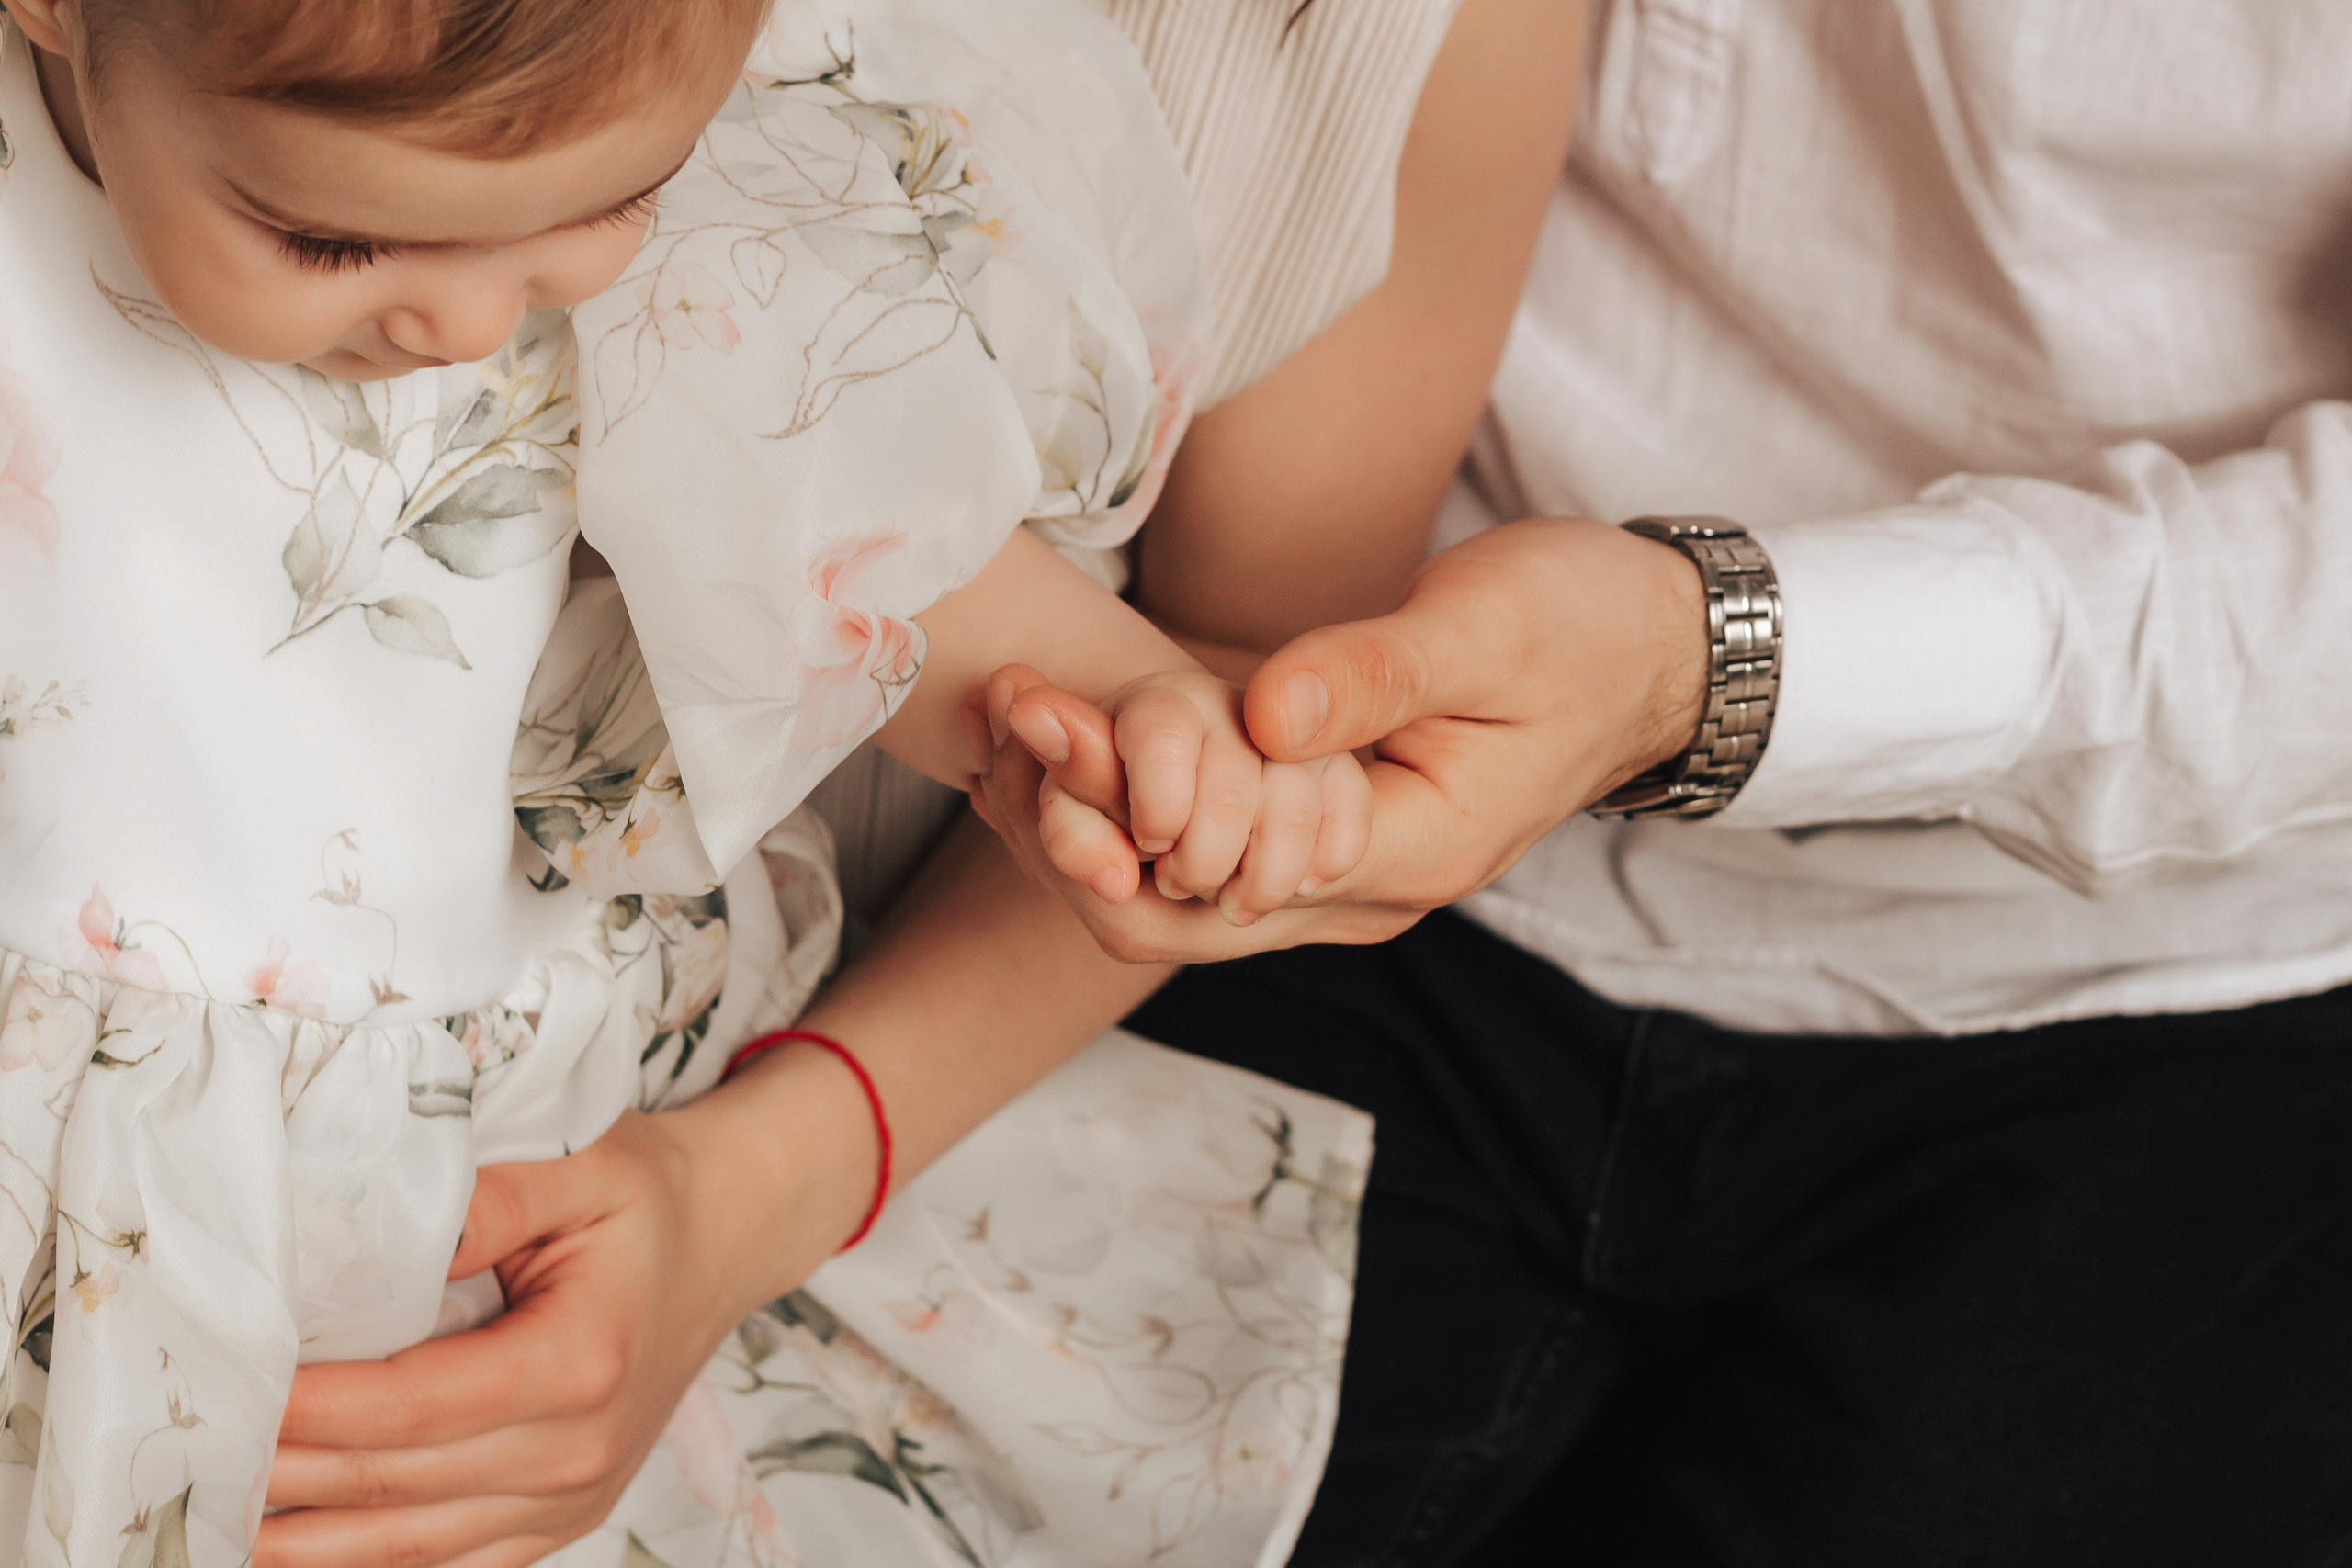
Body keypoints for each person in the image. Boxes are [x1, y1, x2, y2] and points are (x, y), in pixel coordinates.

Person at [0, 0, 1397, 1562]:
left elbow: (904, 593)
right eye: (333, 243)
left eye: (607, 205)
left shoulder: (690, 284)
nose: (471, 323)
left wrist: (1146, 723)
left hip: (470, 1303)